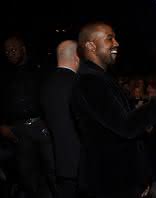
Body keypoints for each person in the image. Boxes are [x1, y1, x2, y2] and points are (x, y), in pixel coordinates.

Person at [70, 21, 156, 198]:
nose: (116, 43)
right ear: (91, 46)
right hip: (110, 184)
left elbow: (130, 125)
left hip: (120, 181)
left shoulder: (100, 78)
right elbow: (128, 126)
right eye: (109, 38)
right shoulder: (89, 82)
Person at [0, 34, 55, 198]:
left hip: (42, 126)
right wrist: (1, 125)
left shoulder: (40, 68)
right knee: (26, 174)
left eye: (13, 50)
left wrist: (49, 122)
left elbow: (51, 96)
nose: (10, 53)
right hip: (18, 129)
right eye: (7, 51)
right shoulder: (4, 74)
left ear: (23, 49)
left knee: (52, 169)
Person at [40, 40, 80, 198]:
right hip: (81, 163)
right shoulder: (78, 84)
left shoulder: (45, 84)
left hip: (57, 161)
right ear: (77, 57)